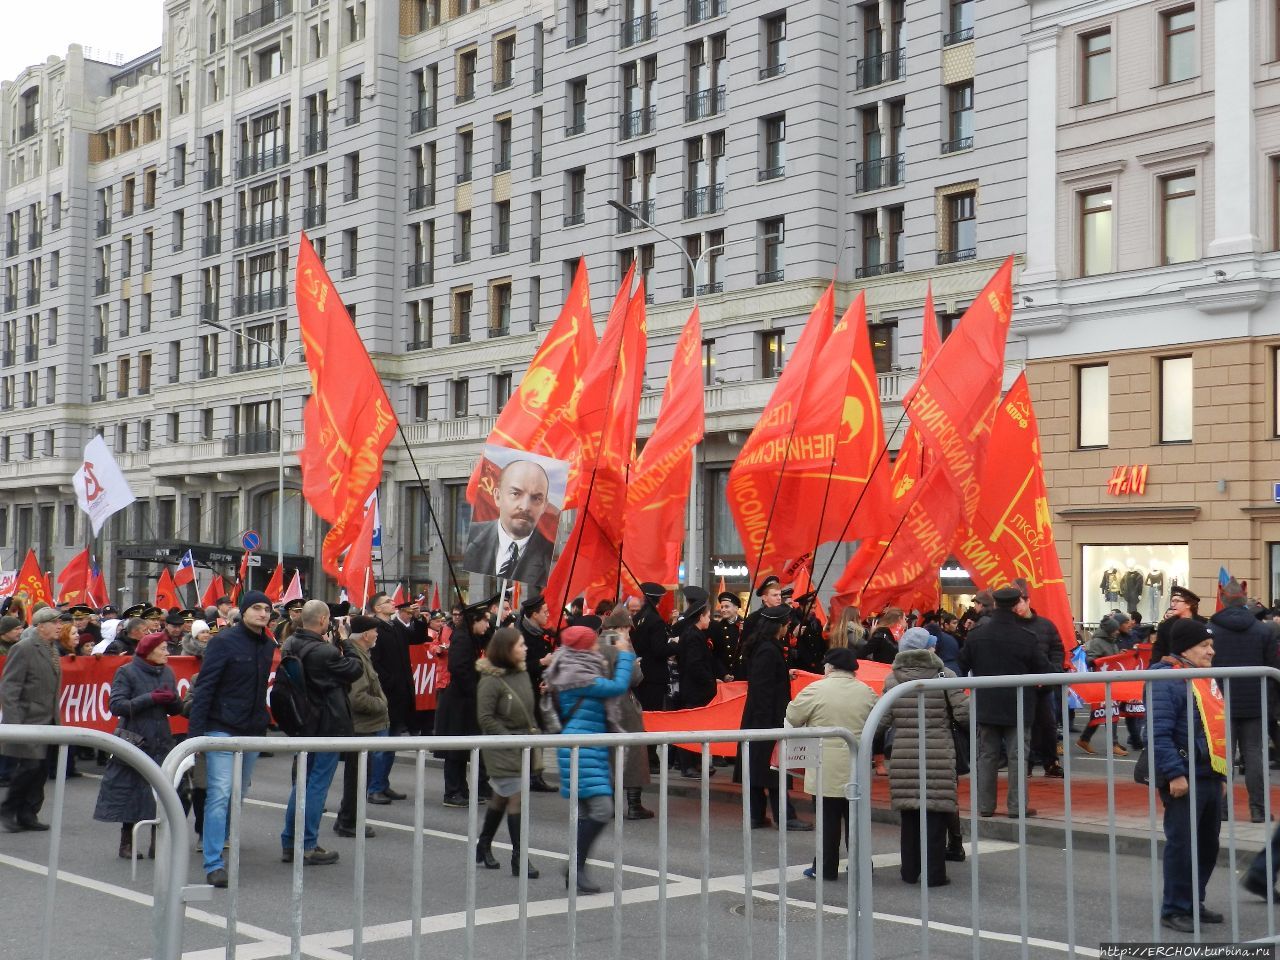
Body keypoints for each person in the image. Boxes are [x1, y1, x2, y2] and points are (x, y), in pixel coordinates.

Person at [187, 591, 278, 888]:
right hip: (220, 727)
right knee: (220, 793)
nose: (263, 614)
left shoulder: (267, 645)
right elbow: (205, 689)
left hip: (251, 730)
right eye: (257, 608)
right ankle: (213, 862)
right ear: (244, 611)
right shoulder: (223, 642)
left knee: (237, 793)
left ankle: (221, 839)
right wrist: (195, 739)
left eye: (267, 609)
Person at [544, 622, 635, 894]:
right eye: (593, 643)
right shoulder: (578, 674)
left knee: (588, 811)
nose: (598, 646)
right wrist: (625, 653)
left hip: (585, 746)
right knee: (602, 809)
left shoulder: (577, 667)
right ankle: (575, 867)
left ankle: (576, 869)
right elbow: (617, 686)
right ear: (584, 648)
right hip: (580, 748)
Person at [1148, 619, 1227, 933]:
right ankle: (1175, 909)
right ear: (1185, 648)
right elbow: (1158, 732)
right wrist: (1174, 774)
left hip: (1207, 774)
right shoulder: (1166, 679)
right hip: (1183, 775)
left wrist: (1220, 775)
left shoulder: (1201, 677)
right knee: (1182, 845)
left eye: (1210, 645)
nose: (1211, 651)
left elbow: (1215, 729)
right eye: (1204, 646)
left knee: (1207, 845)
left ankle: (1194, 902)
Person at [881, 629, 970, 886]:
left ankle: (909, 871)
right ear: (927, 649)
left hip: (903, 755)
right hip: (938, 753)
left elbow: (883, 719)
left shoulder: (893, 679)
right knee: (935, 815)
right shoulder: (945, 675)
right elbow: (963, 715)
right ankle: (934, 874)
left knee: (910, 814)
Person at [279, 599, 362, 866]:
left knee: (301, 784)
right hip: (326, 724)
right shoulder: (323, 652)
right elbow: (354, 669)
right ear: (324, 620)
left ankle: (290, 841)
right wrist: (346, 641)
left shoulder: (290, 643)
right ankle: (307, 845)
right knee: (316, 785)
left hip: (305, 721)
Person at [960, 586, 1053, 819]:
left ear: (994, 604)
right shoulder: (1026, 637)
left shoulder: (977, 635)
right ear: (1015, 605)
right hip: (1019, 706)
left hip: (986, 703)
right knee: (1017, 757)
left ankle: (985, 805)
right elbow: (1045, 671)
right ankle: (1016, 806)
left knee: (987, 756)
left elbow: (962, 664)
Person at [786, 647, 877, 880]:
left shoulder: (816, 689)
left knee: (827, 820)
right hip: (856, 765)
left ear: (830, 666)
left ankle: (825, 867)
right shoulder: (867, 692)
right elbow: (879, 721)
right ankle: (859, 865)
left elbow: (794, 716)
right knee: (855, 820)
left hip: (823, 764)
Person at [93, 631, 183, 857]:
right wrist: (150, 698)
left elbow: (175, 709)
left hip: (161, 739)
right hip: (134, 738)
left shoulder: (168, 672)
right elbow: (117, 705)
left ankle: (157, 843)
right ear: (149, 651)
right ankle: (127, 843)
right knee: (131, 790)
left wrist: (173, 700)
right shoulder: (127, 671)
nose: (167, 653)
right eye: (163, 648)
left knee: (160, 791)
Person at [1209, 577, 1280, 823]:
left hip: (1220, 702)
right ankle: (1258, 810)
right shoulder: (1263, 630)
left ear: (1222, 599)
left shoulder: (1212, 631)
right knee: (1255, 756)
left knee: (1222, 757)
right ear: (1244, 600)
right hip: (1255, 702)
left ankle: (1222, 809)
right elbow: (1273, 669)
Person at [475, 626, 542, 878]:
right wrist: (508, 738)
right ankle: (519, 857)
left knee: (501, 797)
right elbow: (485, 717)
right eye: (520, 645)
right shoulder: (491, 680)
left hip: (522, 743)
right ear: (506, 649)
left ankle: (483, 843)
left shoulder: (522, 674)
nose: (525, 648)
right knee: (516, 796)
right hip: (501, 746)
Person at [739, 603, 812, 831]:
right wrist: (770, 722)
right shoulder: (769, 650)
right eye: (786, 625)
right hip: (766, 717)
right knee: (774, 769)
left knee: (758, 767)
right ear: (779, 626)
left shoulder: (762, 646)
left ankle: (756, 815)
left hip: (759, 717)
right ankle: (785, 816)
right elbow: (763, 687)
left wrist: (783, 674)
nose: (787, 629)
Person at [0, 607, 62, 832]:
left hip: (49, 720)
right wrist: (14, 724)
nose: (59, 626)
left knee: (41, 770)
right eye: (55, 623)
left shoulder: (53, 649)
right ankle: (8, 809)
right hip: (28, 720)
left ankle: (29, 813)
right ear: (41, 626)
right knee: (29, 768)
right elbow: (10, 687)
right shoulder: (24, 648)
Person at [335, 614, 391, 839]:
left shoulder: (360, 654)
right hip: (360, 727)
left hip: (363, 726)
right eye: (375, 631)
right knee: (357, 778)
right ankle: (349, 821)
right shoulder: (356, 657)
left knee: (358, 776)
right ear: (366, 634)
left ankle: (346, 818)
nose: (377, 634)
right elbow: (357, 697)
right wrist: (382, 704)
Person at [436, 598, 494, 807]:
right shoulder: (462, 638)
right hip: (458, 703)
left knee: (462, 750)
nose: (487, 625)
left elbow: (489, 636)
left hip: (466, 702)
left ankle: (463, 789)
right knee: (455, 750)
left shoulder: (471, 636)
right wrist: (476, 692)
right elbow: (459, 669)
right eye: (484, 621)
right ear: (474, 621)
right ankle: (452, 791)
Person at [462, 459, 556, 588]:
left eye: (536, 498)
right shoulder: (473, 538)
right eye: (516, 493)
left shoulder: (548, 555)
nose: (525, 506)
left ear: (545, 506)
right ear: (497, 496)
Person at [367, 591, 412, 802]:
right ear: (377, 608)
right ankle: (374, 787)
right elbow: (374, 662)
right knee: (381, 745)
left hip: (399, 695)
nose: (392, 603)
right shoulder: (374, 630)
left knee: (392, 743)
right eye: (387, 602)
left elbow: (416, 638)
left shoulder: (395, 627)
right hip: (385, 694)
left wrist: (418, 618)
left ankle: (383, 784)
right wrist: (390, 681)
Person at [515, 594, 558, 792]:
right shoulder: (519, 635)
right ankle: (525, 774)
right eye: (545, 612)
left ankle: (535, 776)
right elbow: (516, 666)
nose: (548, 614)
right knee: (527, 734)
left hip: (538, 690)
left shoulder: (541, 633)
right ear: (534, 614)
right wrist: (541, 663)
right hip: (524, 691)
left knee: (537, 734)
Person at [674, 588, 718, 778]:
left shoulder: (696, 634)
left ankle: (696, 763)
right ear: (701, 616)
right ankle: (688, 765)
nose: (709, 620)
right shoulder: (693, 636)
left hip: (696, 688)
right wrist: (709, 681)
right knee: (691, 727)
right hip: (694, 690)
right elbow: (695, 665)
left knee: (697, 727)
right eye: (708, 616)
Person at [708, 591, 743, 679]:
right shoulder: (717, 627)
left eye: (727, 607)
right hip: (724, 675)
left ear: (736, 608)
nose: (723, 610)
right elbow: (715, 654)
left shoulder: (745, 625)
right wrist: (723, 674)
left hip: (742, 675)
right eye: (722, 607)